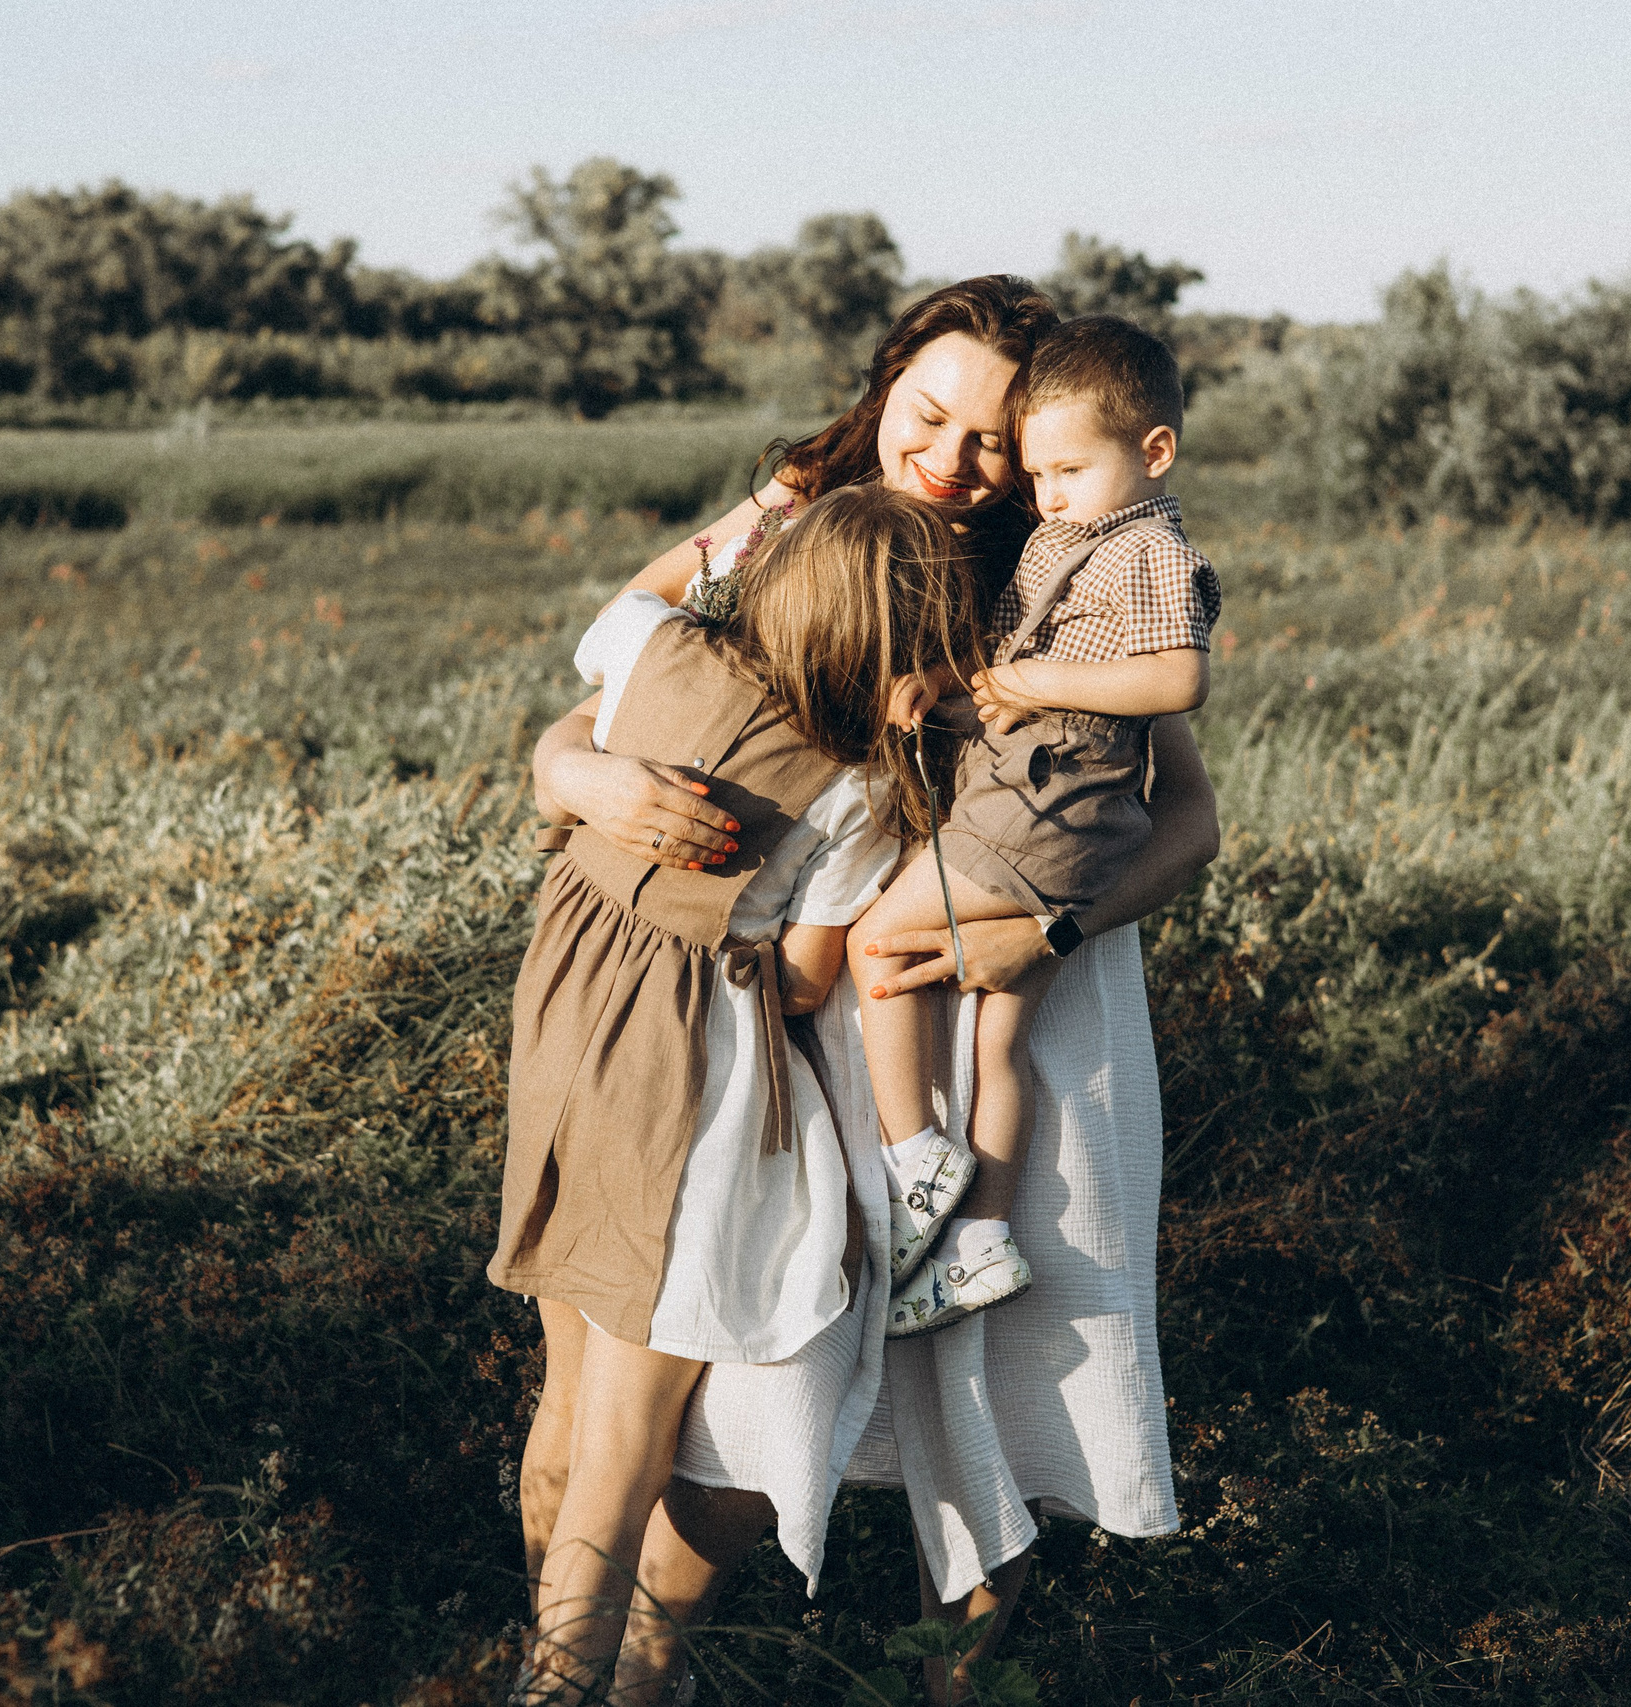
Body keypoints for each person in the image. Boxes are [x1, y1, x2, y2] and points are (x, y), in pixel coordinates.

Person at [527, 277, 1220, 1707]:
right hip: (796, 1010)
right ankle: (637, 1666)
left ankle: (950, 1684)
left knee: (995, 1392)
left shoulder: (1071, 549)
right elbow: (615, 663)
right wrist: (579, 777)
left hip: (1020, 974)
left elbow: (1190, 820)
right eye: (930, 413)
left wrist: (1056, 929)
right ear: (886, 384)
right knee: (740, 1396)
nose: (956, 459)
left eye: (993, 436)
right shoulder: (791, 516)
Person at [490, 484, 979, 1702]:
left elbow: (614, 628)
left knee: (567, 1398)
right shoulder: (859, 788)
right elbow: (809, 982)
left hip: (562, 1045)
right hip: (684, 1084)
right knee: (626, 1432)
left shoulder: (651, 649)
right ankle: (567, 1692)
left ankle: (553, 1658)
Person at [856, 314, 1221, 1340]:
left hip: (1044, 810)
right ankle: (978, 1237)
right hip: (1055, 802)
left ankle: (915, 1158)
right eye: (1036, 474)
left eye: (1063, 470)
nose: (1044, 493)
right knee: (1001, 1039)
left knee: (876, 944)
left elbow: (1176, 679)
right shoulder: (1073, 538)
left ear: (1152, 452)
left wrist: (1032, 678)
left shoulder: (1144, 548)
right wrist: (952, 689)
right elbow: (1015, 694)